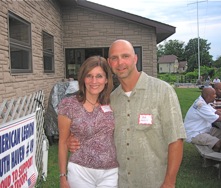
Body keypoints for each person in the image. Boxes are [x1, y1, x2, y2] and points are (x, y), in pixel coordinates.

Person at [69, 39, 186, 188]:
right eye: (114, 58)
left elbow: (176, 138)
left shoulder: (162, 91)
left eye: (125, 56)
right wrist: (72, 139)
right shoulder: (111, 100)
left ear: (135, 58)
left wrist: (169, 182)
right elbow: (97, 132)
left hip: (155, 181)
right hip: (122, 182)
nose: (120, 63)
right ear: (109, 63)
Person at [58, 56, 118, 188]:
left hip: (110, 172)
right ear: (83, 78)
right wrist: (62, 177)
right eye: (89, 76)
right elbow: (62, 142)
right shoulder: (69, 105)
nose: (94, 81)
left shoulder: (115, 102)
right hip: (80, 171)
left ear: (107, 79)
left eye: (99, 76)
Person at [184, 87, 221, 152]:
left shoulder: (204, 102)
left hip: (204, 129)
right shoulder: (201, 105)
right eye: (214, 94)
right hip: (194, 133)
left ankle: (218, 153)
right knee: (218, 143)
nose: (215, 96)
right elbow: (217, 118)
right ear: (208, 96)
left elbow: (215, 112)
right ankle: (213, 158)